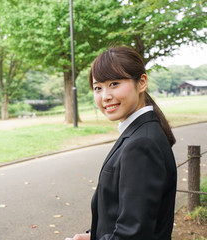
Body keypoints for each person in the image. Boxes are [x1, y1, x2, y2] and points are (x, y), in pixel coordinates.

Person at [65, 46, 177, 240]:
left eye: (114, 83)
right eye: (98, 87)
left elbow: (133, 235)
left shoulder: (142, 144)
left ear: (141, 83)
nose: (105, 96)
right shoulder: (139, 133)